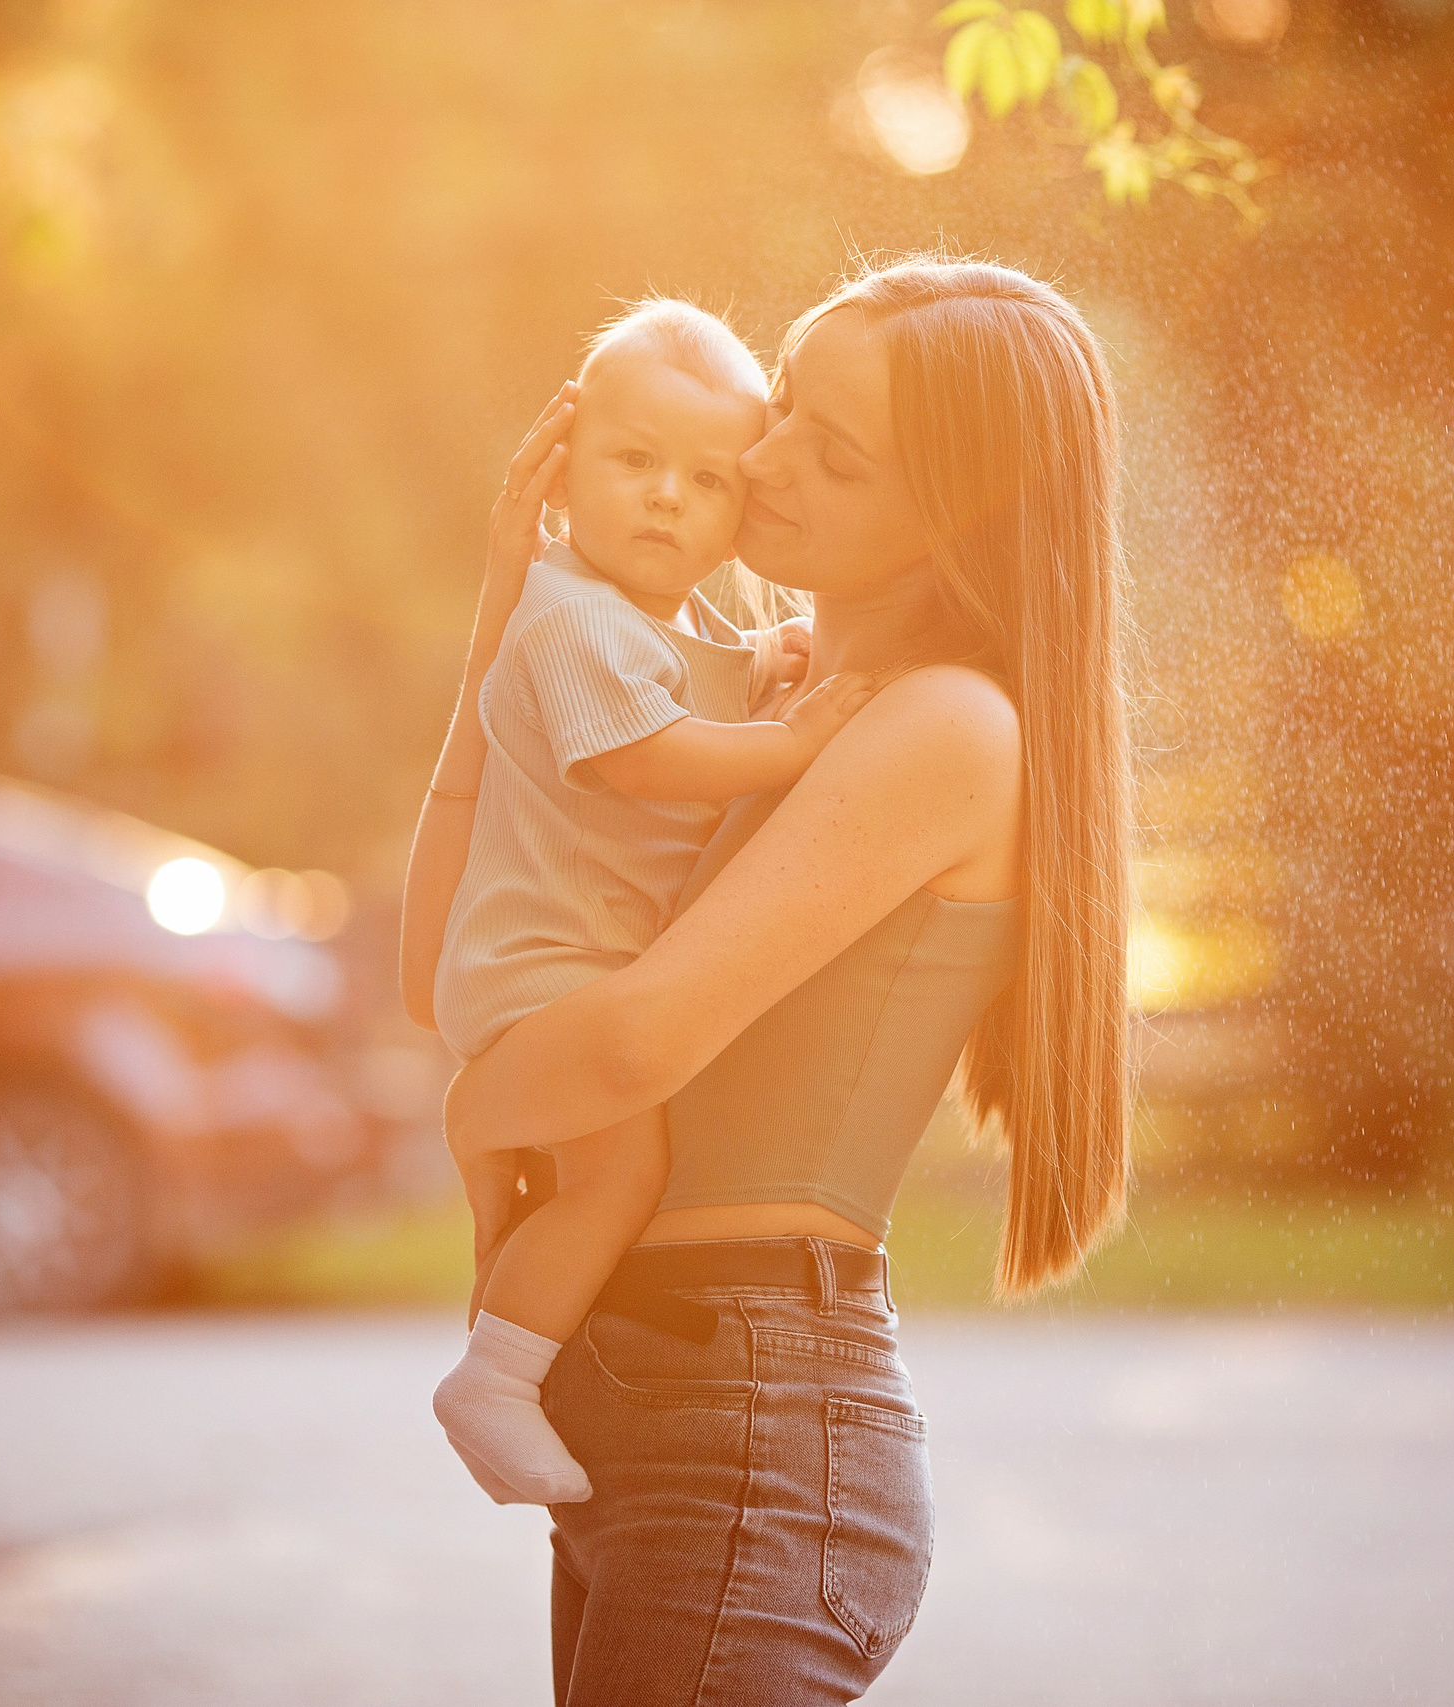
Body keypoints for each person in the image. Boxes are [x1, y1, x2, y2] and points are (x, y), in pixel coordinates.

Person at [401, 257, 1132, 1705]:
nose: (764, 453)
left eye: (835, 455)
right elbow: (439, 963)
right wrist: (513, 615)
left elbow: (623, 1051)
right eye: (786, 398)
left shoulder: (942, 729)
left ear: (959, 522)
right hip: (659, 1398)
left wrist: (478, 1112)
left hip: (747, 1411)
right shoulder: (738, 700)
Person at [424, 298, 872, 1507]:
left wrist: (773, 676)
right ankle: (492, 1378)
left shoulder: (665, 621)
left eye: (707, 480)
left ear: (739, 515)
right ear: (561, 476)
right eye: (634, 463)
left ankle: (514, 1311)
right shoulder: (566, 617)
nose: (669, 498)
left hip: (582, 966)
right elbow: (654, 756)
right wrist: (787, 745)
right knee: (621, 1172)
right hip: (544, 970)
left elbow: (711, 687)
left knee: (595, 1180)